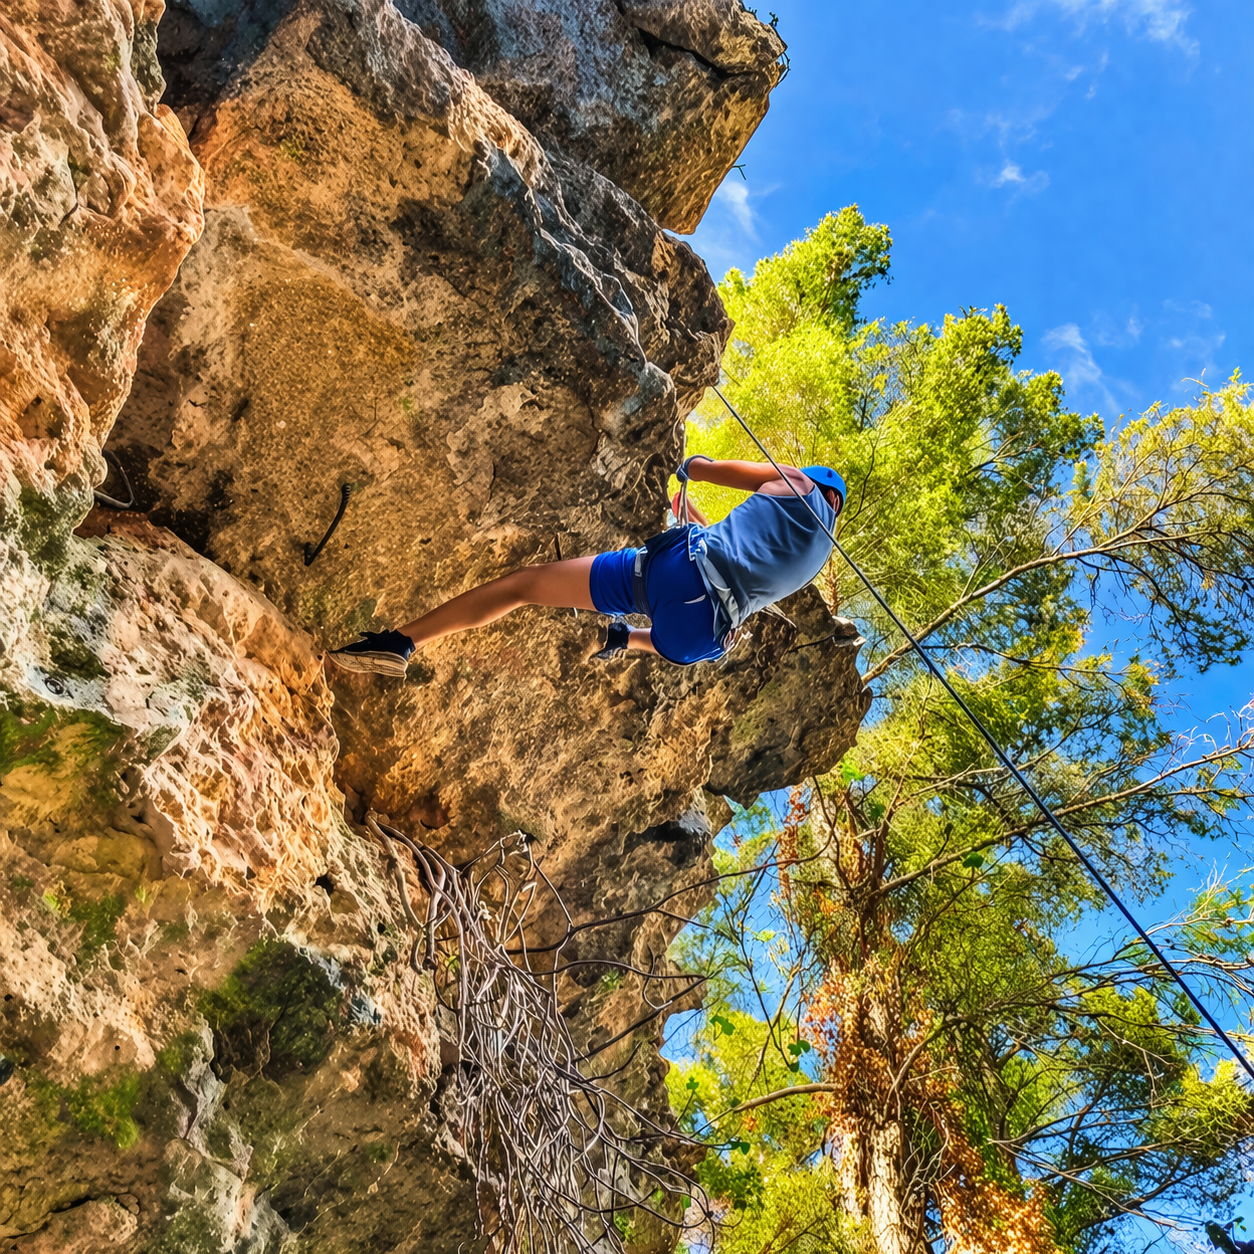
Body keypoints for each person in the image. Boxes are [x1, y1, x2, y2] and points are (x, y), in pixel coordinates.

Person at [328, 456, 846, 676]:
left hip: (678, 575)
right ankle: (626, 640)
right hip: (701, 633)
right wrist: (688, 515)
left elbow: (711, 472)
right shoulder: (818, 555)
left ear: (817, 481)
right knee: (680, 642)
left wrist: (693, 467)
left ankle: (402, 643)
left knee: (524, 586)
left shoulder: (800, 484)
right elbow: (733, 558)